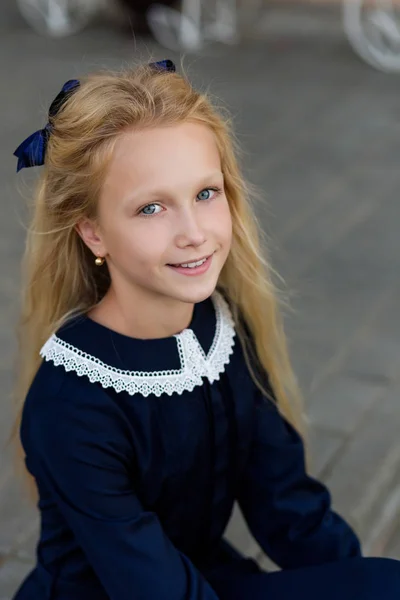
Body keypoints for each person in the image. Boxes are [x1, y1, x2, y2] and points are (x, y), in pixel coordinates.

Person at [11, 59, 400, 600]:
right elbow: (151, 583)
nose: (193, 233)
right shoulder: (71, 404)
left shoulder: (222, 329)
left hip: (205, 578)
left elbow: (288, 507)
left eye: (205, 194)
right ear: (93, 232)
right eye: (151, 208)